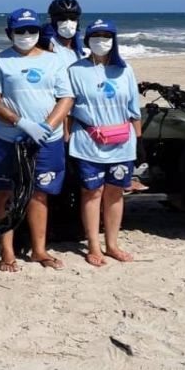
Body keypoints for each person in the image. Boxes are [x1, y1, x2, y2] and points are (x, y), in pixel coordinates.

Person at [0, 8, 74, 272]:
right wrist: (21, 122)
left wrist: (47, 126)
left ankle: (39, 250)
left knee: (39, 193)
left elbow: (66, 97)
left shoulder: (54, 61)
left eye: (31, 30)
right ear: (9, 33)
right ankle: (7, 250)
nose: (26, 35)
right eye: (20, 30)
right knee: (5, 193)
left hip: (46, 140)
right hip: (6, 139)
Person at [66, 19, 142, 266]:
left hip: (122, 143)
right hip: (88, 141)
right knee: (92, 192)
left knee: (115, 192)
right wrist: (66, 138)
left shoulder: (124, 69)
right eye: (96, 36)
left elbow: (133, 108)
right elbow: (68, 108)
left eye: (107, 36)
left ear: (114, 39)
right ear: (87, 40)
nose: (102, 41)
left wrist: (139, 141)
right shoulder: (75, 70)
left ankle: (112, 244)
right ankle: (93, 246)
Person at [41, 0, 85, 67]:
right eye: (62, 18)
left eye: (73, 17)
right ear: (53, 21)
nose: (68, 21)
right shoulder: (45, 44)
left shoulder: (79, 50)